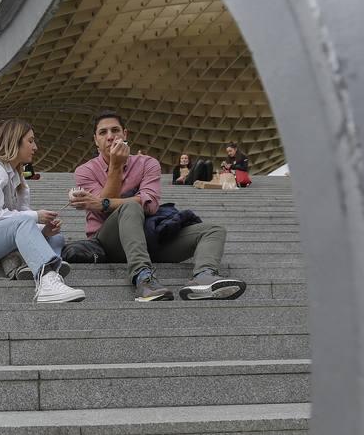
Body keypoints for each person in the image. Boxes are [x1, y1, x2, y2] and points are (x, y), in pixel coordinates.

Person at [71, 111, 247, 301]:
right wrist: (115, 166)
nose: (110, 136)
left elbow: (150, 204)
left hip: (148, 237)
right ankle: (143, 277)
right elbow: (106, 213)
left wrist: (104, 203)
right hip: (109, 242)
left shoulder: (148, 163)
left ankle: (204, 276)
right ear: (95, 140)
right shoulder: (85, 171)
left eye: (115, 130)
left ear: (126, 134)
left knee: (214, 230)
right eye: (103, 133)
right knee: (131, 207)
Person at [0, 119, 84, 303]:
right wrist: (35, 217)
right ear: (14, 141)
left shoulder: (17, 177)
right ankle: (46, 279)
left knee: (56, 237)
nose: (35, 147)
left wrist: (44, 228)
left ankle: (41, 267)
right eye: (30, 141)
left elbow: (20, 215)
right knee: (26, 222)